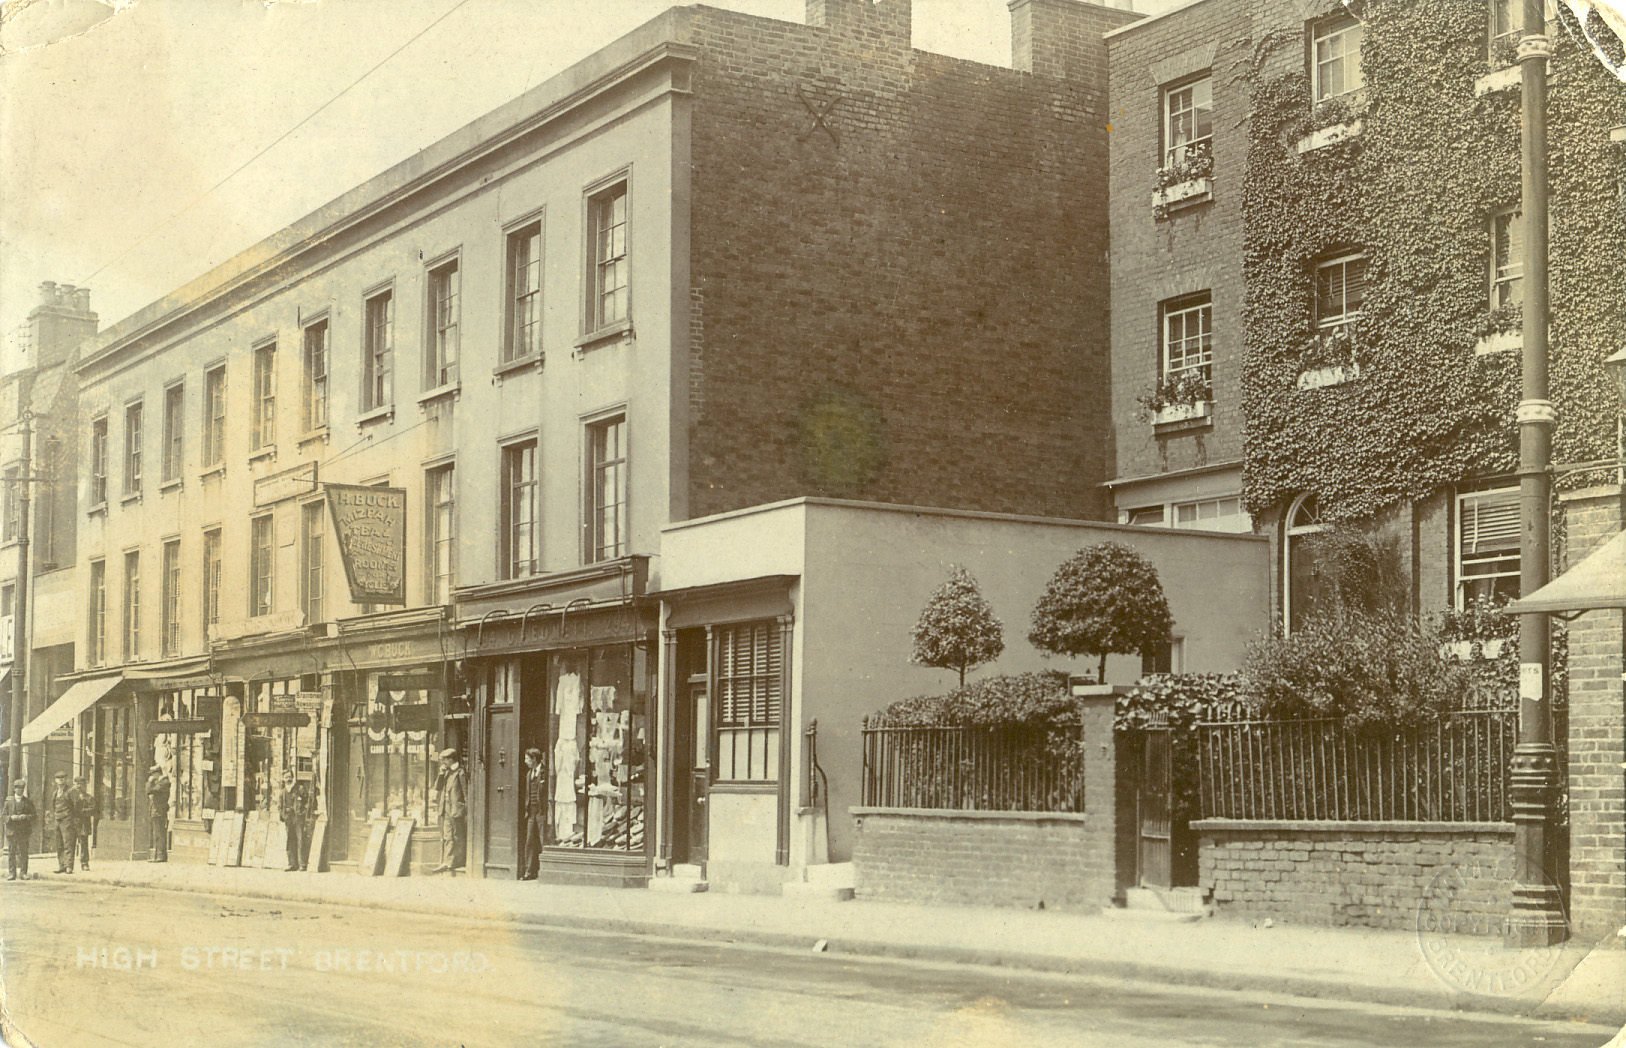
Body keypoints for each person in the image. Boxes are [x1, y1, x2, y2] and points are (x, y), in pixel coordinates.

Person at [433, 748, 467, 873]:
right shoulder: (446, 772)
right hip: (446, 807)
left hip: (456, 808)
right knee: (447, 835)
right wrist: (441, 774)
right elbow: (438, 787)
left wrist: (465, 809)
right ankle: (447, 861)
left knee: (457, 835)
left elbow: (465, 791)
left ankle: (458, 861)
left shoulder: (460, 773)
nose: (443, 762)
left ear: (451, 759)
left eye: (444, 759)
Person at [520, 747, 545, 880]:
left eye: (527, 759)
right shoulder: (529, 774)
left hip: (542, 812)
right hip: (531, 812)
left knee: (543, 840)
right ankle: (529, 871)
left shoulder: (545, 773)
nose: (525, 761)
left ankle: (544, 871)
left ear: (534, 759)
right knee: (530, 841)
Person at [279, 771, 312, 872]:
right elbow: (280, 807)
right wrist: (284, 816)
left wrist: (302, 813)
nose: (288, 779)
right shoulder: (283, 792)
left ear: (293, 777)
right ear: (283, 779)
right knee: (290, 841)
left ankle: (302, 864)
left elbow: (308, 803)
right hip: (289, 819)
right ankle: (292, 864)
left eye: (289, 777)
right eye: (286, 777)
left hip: (298, 819)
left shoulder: (300, 789)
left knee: (301, 840)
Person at [4, 782, 37, 880]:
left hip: (24, 831)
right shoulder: (8, 802)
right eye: (18, 788)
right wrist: (10, 818)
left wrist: (25, 816)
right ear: (14, 789)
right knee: (11, 852)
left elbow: (34, 815)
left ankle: (23, 873)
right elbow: (3, 815)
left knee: (23, 852)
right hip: (12, 831)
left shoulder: (28, 802)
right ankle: (12, 873)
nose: (20, 790)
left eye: (22, 788)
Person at [50, 771, 76, 873]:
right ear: (55, 780)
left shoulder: (70, 791)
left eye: (63, 777)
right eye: (58, 778)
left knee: (68, 843)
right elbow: (53, 806)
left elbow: (75, 806)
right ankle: (62, 865)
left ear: (66, 779)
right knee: (59, 844)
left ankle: (69, 866)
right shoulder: (55, 793)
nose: (60, 780)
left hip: (67, 820)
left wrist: (70, 817)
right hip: (57, 820)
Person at [145, 764, 171, 862]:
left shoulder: (164, 783)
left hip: (159, 811)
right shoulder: (160, 783)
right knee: (157, 834)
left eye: (153, 774)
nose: (152, 776)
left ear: (157, 773)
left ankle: (160, 856)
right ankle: (157, 856)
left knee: (159, 834)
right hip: (156, 811)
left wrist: (150, 781)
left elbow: (149, 791)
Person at [69, 775, 95, 870]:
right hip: (72, 823)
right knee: (70, 844)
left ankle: (84, 863)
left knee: (84, 844)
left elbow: (93, 810)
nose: (79, 787)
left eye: (81, 785)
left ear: (85, 786)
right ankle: (69, 865)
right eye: (77, 785)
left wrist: (81, 811)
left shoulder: (89, 798)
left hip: (84, 823)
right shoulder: (70, 798)